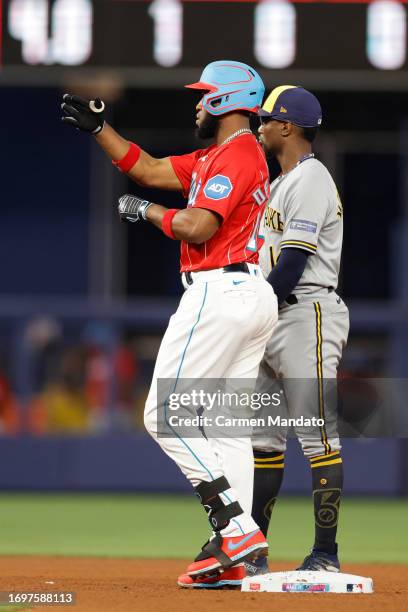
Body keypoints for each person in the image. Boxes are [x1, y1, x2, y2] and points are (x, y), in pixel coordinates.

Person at [61, 60, 278, 588]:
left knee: (164, 414)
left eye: (205, 96)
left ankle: (235, 527)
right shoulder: (217, 155)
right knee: (226, 428)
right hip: (248, 295)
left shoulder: (237, 154)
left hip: (219, 291)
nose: (198, 103)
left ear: (227, 102)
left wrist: (146, 213)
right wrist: (100, 130)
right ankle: (241, 553)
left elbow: (196, 223)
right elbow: (152, 168)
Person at [246, 86, 349, 575]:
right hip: (273, 315)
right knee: (263, 443)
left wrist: (251, 307)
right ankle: (252, 551)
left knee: (316, 436)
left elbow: (293, 264)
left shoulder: (311, 179)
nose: (260, 125)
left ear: (287, 127)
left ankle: (325, 554)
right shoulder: (280, 182)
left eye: (266, 119)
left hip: (306, 313)